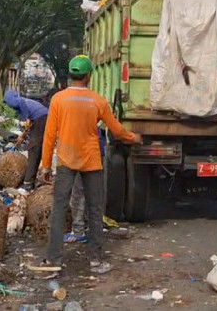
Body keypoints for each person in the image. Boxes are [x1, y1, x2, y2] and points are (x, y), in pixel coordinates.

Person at [39, 55, 142, 273]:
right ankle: (95, 260)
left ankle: (53, 259)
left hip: (66, 159)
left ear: (71, 74)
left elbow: (49, 135)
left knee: (59, 209)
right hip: (91, 161)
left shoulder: (58, 99)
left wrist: (46, 165)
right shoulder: (98, 101)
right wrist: (134, 138)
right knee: (95, 210)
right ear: (88, 76)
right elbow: (117, 131)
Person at [4, 90, 49, 190]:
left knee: (33, 149)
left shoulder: (21, 103)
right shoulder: (24, 102)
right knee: (35, 149)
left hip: (42, 119)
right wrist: (23, 136)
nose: (8, 105)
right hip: (42, 119)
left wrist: (22, 136)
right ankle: (31, 179)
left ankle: (28, 182)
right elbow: (30, 123)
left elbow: (28, 123)